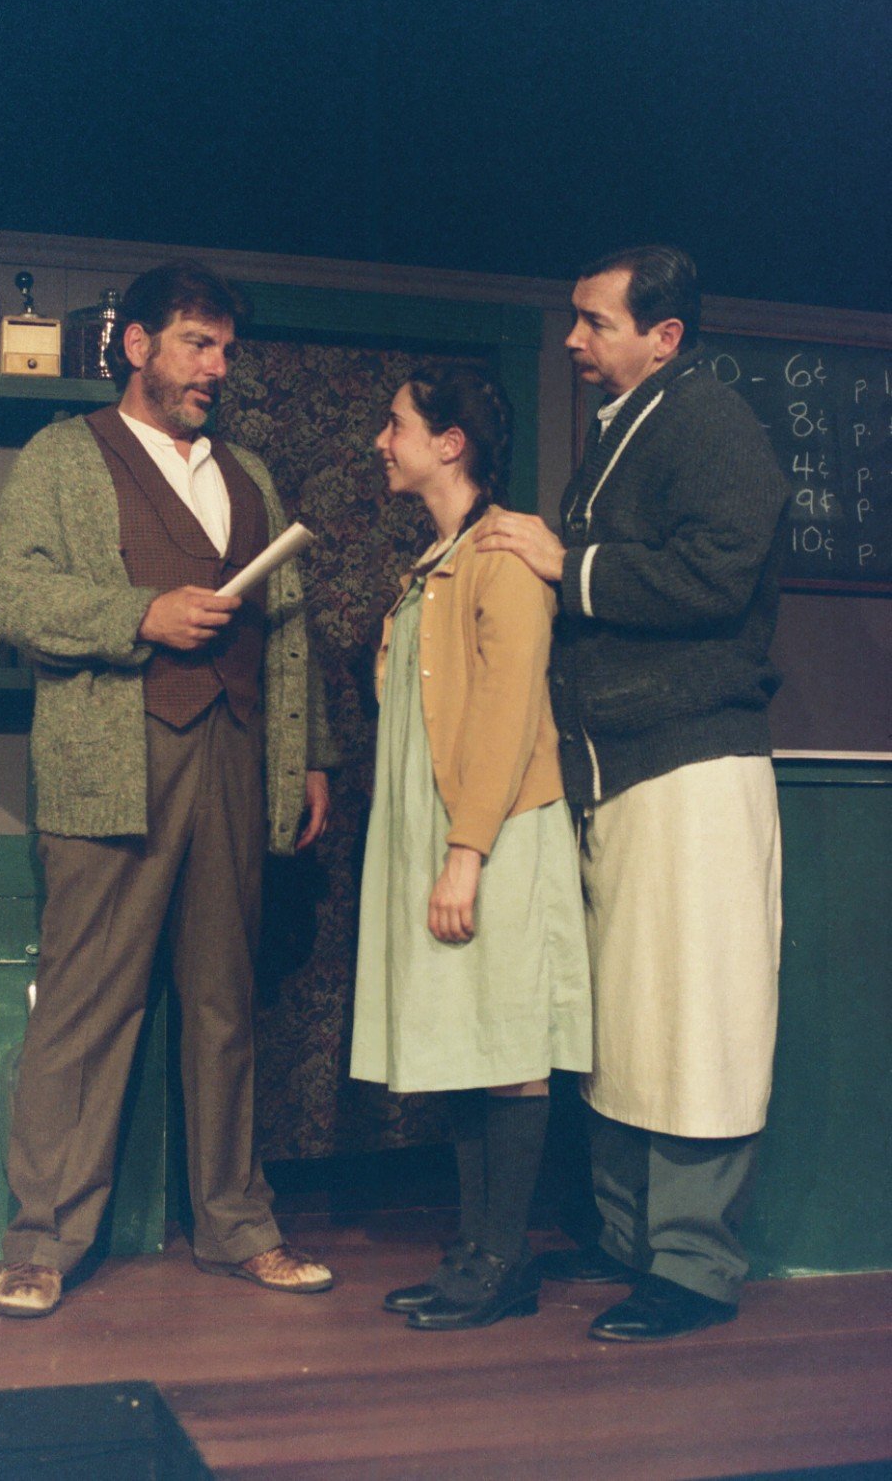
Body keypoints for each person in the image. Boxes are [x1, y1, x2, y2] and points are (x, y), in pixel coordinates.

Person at [0, 260, 339, 1318]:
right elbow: (12, 593)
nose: (214, 369)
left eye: (225, 350)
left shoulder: (251, 478)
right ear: (135, 345)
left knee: (226, 1005)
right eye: (195, 343)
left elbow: (290, 627)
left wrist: (308, 752)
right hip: (111, 761)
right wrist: (140, 615)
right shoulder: (62, 455)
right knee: (88, 1009)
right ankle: (45, 1239)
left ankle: (237, 1226)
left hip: (231, 756)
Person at [475, 245, 790, 1341]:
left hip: (692, 764)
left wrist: (570, 565)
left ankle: (694, 1268)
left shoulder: (710, 422)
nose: (572, 340)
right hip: (620, 769)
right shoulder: (626, 431)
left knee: (697, 1016)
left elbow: (717, 571)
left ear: (663, 336)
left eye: (593, 323)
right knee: (624, 1020)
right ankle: (627, 1239)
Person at [350, 361, 592, 1331]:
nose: (382, 440)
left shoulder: (499, 557)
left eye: (397, 424)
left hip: (491, 833)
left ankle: (502, 1261)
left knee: (507, 1046)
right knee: (464, 1035)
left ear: (449, 444)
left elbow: (502, 711)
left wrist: (466, 852)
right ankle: (474, 1252)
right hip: (443, 827)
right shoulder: (439, 560)